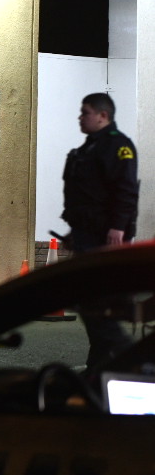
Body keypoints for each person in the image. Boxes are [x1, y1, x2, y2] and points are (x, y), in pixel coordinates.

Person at [62, 92, 139, 370]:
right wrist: (75, 231)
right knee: (94, 305)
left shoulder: (118, 147)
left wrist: (118, 227)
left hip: (105, 239)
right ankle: (98, 369)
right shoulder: (89, 149)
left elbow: (126, 191)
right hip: (87, 236)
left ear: (102, 116)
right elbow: (86, 197)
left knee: (95, 304)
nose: (80, 117)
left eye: (86, 112)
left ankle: (133, 360)